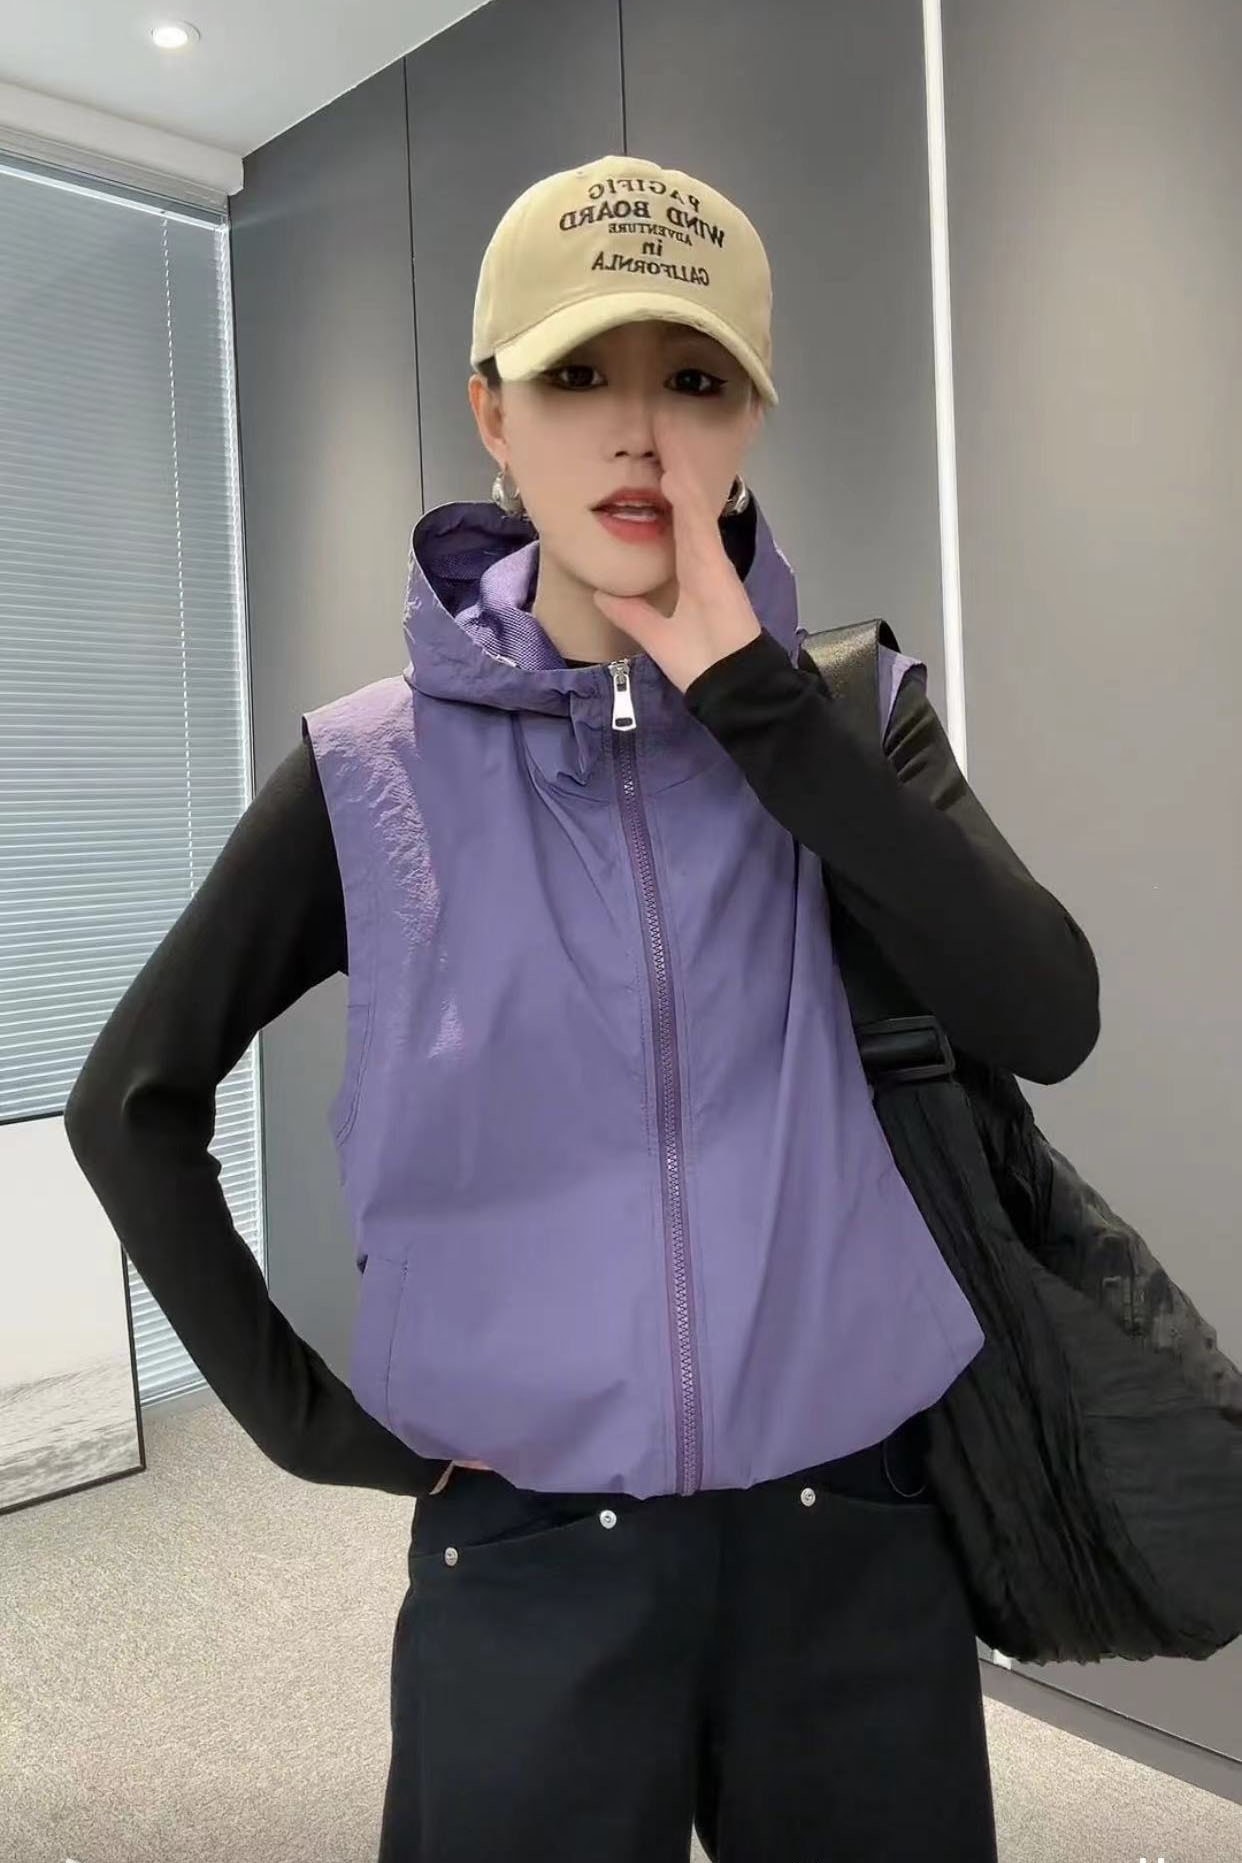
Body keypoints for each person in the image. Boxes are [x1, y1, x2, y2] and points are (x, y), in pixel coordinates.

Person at [66, 154, 1101, 1861]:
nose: (636, 431)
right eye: (576, 376)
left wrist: (756, 706)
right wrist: (314, 1429)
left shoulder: (851, 720)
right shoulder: (370, 772)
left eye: (692, 379)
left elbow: (1043, 1014)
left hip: (850, 1536)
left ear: (747, 418)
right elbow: (130, 1102)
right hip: (530, 1553)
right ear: (493, 414)